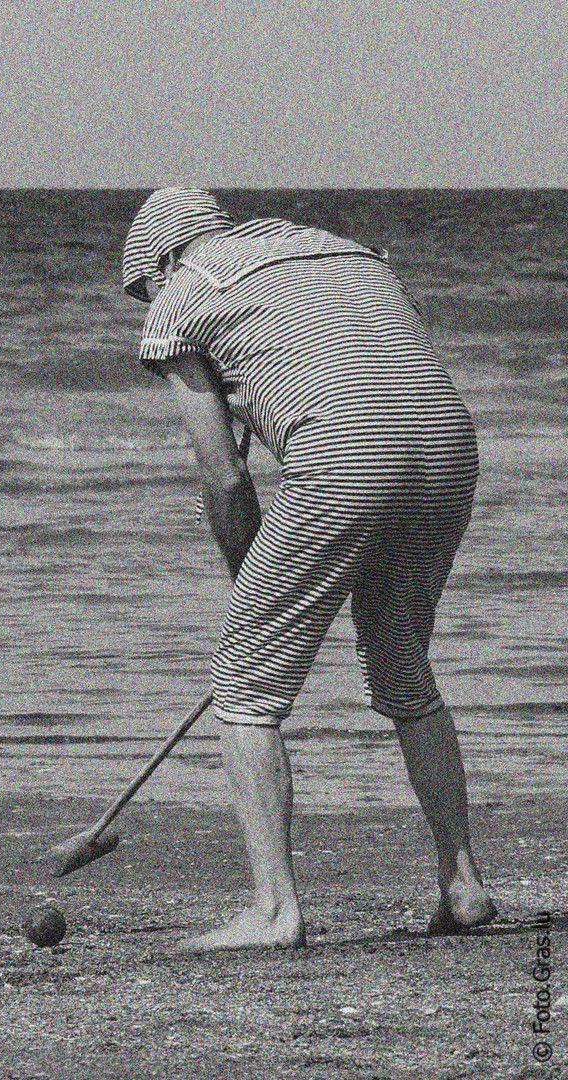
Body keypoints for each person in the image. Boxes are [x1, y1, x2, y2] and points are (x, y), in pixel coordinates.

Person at [122, 187, 495, 952]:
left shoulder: (182, 294)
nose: (147, 304)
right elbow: (344, 362)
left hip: (349, 453)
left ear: (158, 263)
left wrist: (249, 589)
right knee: (399, 661)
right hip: (447, 447)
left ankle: (271, 911)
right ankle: (461, 885)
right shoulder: (340, 252)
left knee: (243, 679)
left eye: (142, 291)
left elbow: (224, 478)